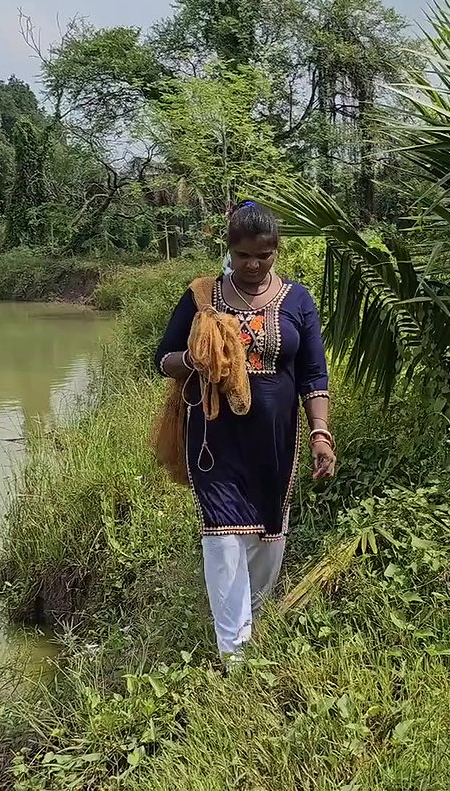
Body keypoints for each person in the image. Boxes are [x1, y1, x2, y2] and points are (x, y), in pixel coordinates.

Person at [154, 202, 336, 660]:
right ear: (228, 252)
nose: (253, 265)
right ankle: (234, 650)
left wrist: (320, 433)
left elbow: (314, 374)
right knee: (223, 538)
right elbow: (162, 359)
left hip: (275, 439)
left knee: (267, 536)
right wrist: (194, 360)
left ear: (277, 251)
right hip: (214, 438)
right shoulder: (203, 297)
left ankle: (254, 616)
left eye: (264, 255)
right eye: (242, 256)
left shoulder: (297, 301)